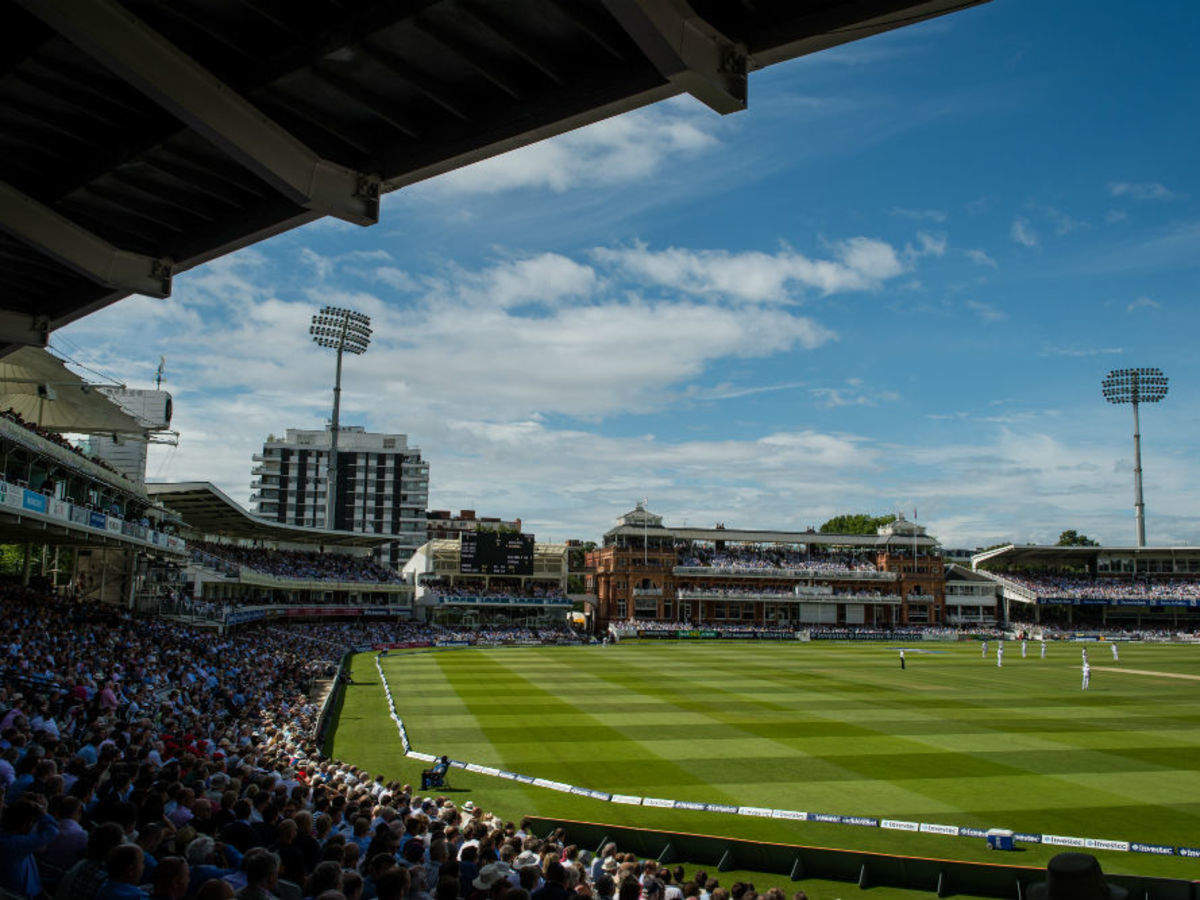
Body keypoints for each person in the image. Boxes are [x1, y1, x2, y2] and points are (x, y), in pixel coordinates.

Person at [0, 796, 60, 897]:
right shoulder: (16, 843)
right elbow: (53, 831)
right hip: (22, 895)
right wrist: (42, 813)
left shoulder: (8, 838)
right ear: (26, 824)